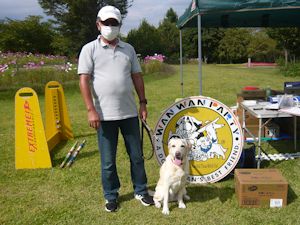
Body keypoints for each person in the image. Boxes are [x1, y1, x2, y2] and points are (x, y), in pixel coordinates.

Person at [77, 5, 154, 212]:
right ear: (98, 24)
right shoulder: (89, 49)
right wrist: (90, 109)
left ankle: (141, 190)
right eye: (106, 23)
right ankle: (111, 195)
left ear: (119, 25)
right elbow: (84, 80)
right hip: (103, 116)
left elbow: (137, 76)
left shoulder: (128, 49)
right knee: (108, 162)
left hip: (129, 113)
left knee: (136, 157)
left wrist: (143, 102)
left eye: (114, 23)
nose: (110, 26)